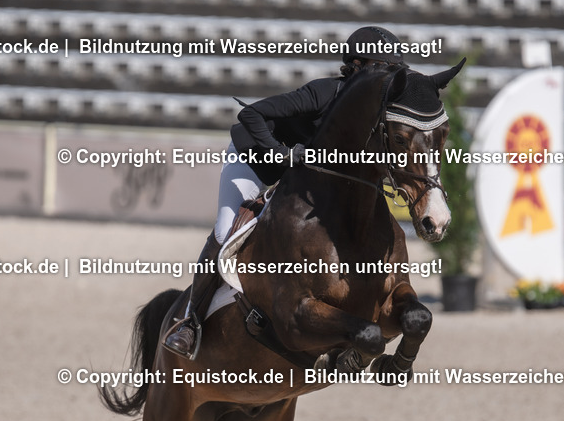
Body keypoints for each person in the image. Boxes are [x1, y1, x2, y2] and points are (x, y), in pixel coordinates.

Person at [163, 26, 407, 357]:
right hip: (256, 159)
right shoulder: (324, 92)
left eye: (393, 70)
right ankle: (191, 322)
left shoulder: (375, 111)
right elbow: (251, 113)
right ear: (357, 65)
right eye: (383, 68)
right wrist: (281, 152)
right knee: (225, 230)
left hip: (301, 172)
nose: (388, 79)